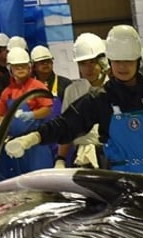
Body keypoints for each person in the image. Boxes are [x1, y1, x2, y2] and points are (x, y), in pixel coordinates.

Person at [3, 25, 143, 177]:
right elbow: (66, 124)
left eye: (128, 61)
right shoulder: (101, 98)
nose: (122, 67)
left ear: (138, 61)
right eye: (117, 61)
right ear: (109, 61)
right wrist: (32, 138)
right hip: (118, 180)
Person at [0, 46, 54, 180]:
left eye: (24, 66)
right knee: (19, 185)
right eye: (17, 67)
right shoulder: (7, 92)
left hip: (35, 144)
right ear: (10, 69)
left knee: (41, 183)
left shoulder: (37, 87)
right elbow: (2, 115)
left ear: (30, 67)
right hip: (14, 144)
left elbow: (47, 109)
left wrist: (31, 115)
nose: (21, 69)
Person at [56, 32, 109, 168]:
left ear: (102, 62)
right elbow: (66, 128)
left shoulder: (114, 87)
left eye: (92, 62)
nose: (88, 68)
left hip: (113, 154)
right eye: (83, 63)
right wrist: (60, 159)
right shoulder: (73, 90)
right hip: (82, 156)